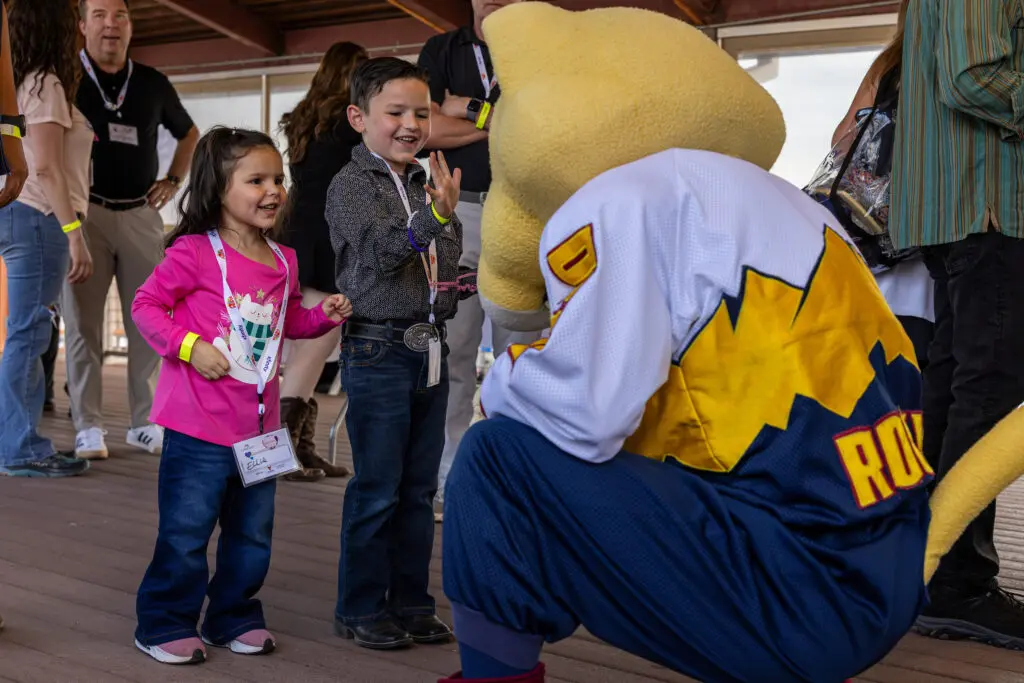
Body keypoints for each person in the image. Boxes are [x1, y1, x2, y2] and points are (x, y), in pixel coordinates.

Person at [131, 127, 352, 665]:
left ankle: (232, 616)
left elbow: (285, 322)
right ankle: (163, 623)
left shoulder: (284, 260)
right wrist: (188, 346)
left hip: (260, 432)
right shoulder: (193, 252)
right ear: (219, 188)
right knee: (186, 532)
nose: (274, 189)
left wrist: (319, 317)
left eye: (278, 179)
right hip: (198, 428)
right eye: (256, 180)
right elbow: (145, 306)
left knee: (252, 534)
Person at [889, 0, 1024, 648]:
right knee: (990, 389)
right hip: (987, 203)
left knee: (952, 382)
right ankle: (956, 584)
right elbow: (973, 75)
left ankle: (921, 567)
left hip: (959, 205)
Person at [326, 57, 462, 651]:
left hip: (430, 345)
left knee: (417, 489)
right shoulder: (351, 184)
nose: (411, 124)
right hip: (377, 348)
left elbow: (435, 266)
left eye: (422, 113)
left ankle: (410, 602)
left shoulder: (426, 178)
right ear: (359, 117)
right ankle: (359, 607)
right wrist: (437, 215)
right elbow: (382, 255)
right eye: (396, 113)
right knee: (378, 486)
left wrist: (465, 281)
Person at [416, 0, 541, 516]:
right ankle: (448, 471)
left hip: (524, 211)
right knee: (455, 348)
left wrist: (465, 108)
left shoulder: (541, 47)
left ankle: (512, 471)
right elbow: (425, 130)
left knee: (523, 351)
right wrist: (499, 118)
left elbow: (548, 130)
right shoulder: (442, 49)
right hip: (457, 209)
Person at [67, 0, 200, 461]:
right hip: (85, 215)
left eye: (120, 15)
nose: (111, 25)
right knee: (83, 324)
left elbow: (189, 133)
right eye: (100, 15)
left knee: (150, 321)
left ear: (130, 26)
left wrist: (174, 181)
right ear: (82, 25)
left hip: (141, 213)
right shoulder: (65, 77)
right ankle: (87, 425)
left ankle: (144, 422)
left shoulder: (151, 82)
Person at [0, 0, 95, 478]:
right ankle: (19, 447)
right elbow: (47, 168)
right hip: (40, 218)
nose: (81, 30)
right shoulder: (44, 84)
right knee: (29, 334)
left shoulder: (18, 84)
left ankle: (19, 439)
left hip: (20, 214)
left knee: (26, 333)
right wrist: (74, 233)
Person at [277, 40, 367, 482]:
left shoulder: (304, 117)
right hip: (329, 238)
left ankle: (302, 446)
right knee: (315, 345)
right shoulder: (349, 123)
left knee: (305, 346)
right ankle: (284, 450)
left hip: (298, 232)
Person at [830, 0, 934, 374]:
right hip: (933, 268)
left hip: (871, 261)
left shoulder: (890, 63)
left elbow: (843, 140)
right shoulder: (979, 65)